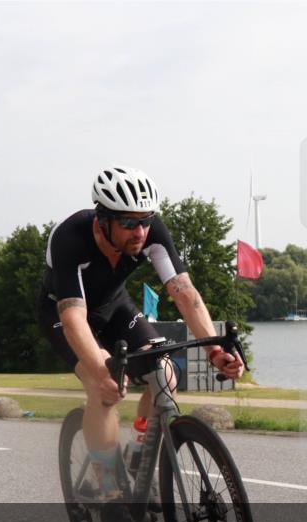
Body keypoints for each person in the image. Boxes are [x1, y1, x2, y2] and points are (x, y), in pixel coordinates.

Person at [38, 165, 243, 500]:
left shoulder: (152, 232)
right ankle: (107, 489)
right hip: (64, 315)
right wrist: (101, 369)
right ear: (103, 220)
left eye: (145, 220)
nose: (140, 231)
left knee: (164, 375)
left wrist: (214, 351)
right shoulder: (71, 237)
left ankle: (137, 451)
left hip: (114, 307)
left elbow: (185, 294)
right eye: (129, 223)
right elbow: (74, 317)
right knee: (105, 388)